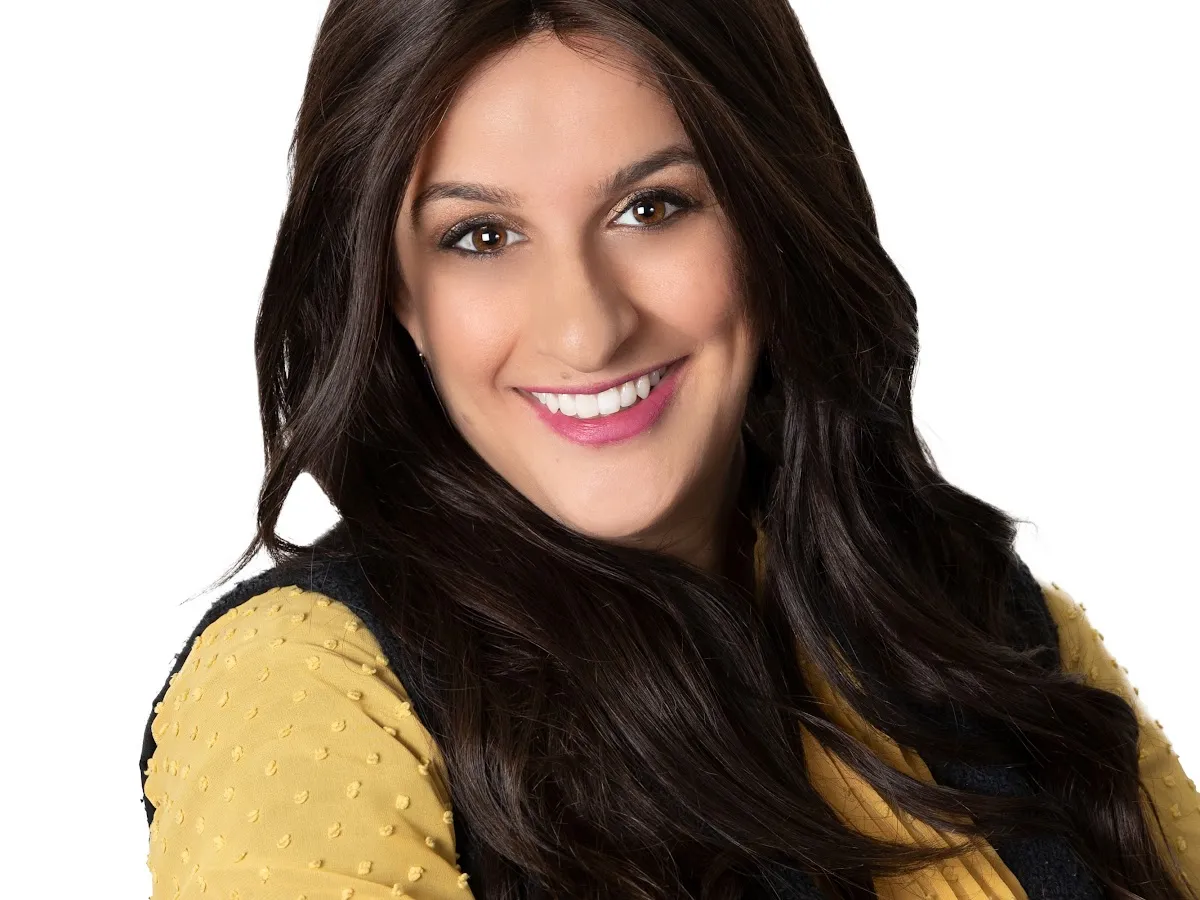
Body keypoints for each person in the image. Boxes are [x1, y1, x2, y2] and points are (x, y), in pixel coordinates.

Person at [140, 2, 1198, 898]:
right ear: (395, 292)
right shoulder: (307, 685)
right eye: (481, 237)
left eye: (652, 209)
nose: (586, 329)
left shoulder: (980, 618)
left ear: (772, 223)